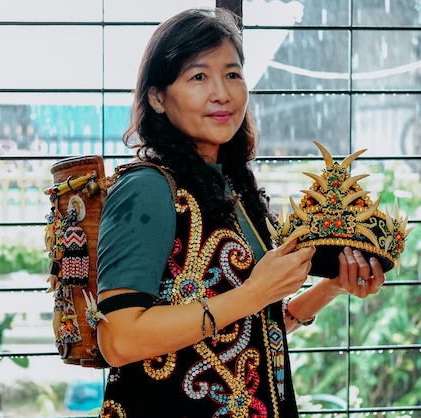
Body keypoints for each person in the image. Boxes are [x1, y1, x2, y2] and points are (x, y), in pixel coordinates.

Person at [95, 7, 385, 418]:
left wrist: (330, 288)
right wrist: (254, 293)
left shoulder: (231, 187)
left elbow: (243, 331)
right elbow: (119, 340)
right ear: (157, 97)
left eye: (233, 74)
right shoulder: (147, 189)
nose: (222, 93)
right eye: (198, 77)